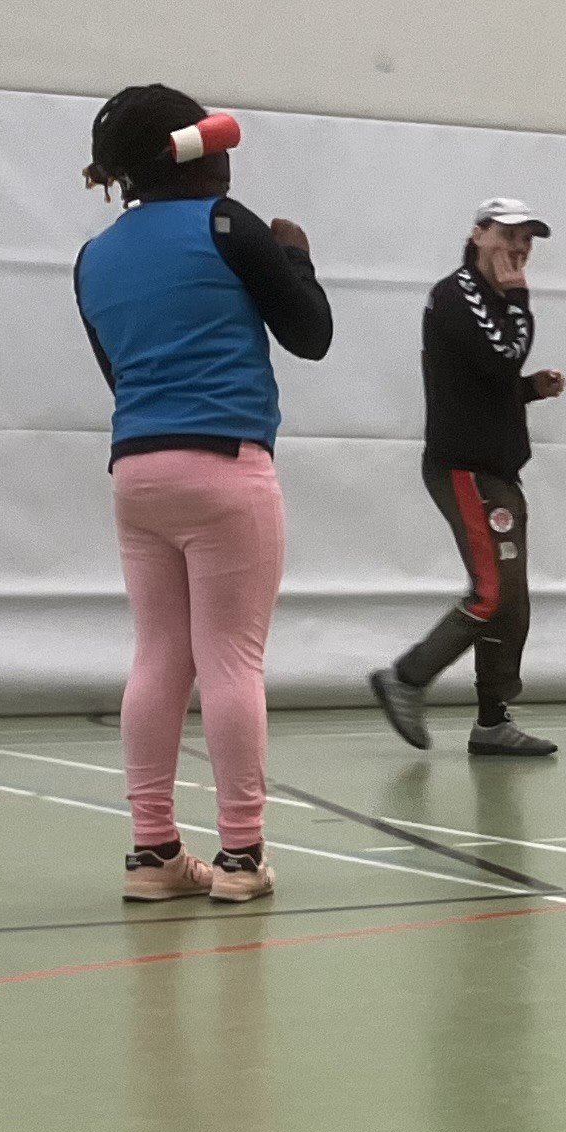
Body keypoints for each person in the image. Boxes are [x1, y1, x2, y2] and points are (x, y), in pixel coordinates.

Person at [73, 85, 336, 904]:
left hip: (137, 470)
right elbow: (312, 336)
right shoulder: (229, 226)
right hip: (225, 464)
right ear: (196, 151)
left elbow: (119, 373)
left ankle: (152, 853)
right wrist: (293, 256)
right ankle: (241, 857)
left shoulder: (94, 257)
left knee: (159, 655)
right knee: (231, 659)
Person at [368, 197, 565, 760]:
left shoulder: (494, 302)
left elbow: (490, 376)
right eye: (509, 234)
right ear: (478, 235)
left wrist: (530, 389)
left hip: (497, 469)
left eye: (528, 239)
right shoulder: (459, 295)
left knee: (512, 600)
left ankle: (493, 721)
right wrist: (521, 302)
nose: (520, 248)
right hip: (464, 468)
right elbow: (504, 355)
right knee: (492, 592)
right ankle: (407, 677)